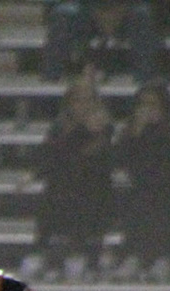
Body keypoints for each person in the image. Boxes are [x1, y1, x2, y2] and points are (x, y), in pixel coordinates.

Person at [30, 72, 114, 280]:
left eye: (88, 100)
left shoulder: (104, 128)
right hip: (62, 190)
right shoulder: (59, 127)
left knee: (79, 185)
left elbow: (94, 159)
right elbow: (53, 155)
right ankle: (51, 252)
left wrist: (83, 132)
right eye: (77, 100)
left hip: (92, 191)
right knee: (58, 185)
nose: (83, 106)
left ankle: (81, 253)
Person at [113, 84, 170, 282]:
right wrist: (136, 134)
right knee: (141, 197)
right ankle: (136, 256)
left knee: (159, 198)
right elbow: (121, 163)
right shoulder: (130, 132)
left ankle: (164, 258)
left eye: (153, 104)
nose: (148, 109)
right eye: (143, 104)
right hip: (140, 192)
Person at [42, 1, 164, 82]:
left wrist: (118, 10)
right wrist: (98, 10)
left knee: (143, 17)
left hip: (129, 9)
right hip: (86, 9)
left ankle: (146, 79)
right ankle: (52, 76)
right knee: (63, 15)